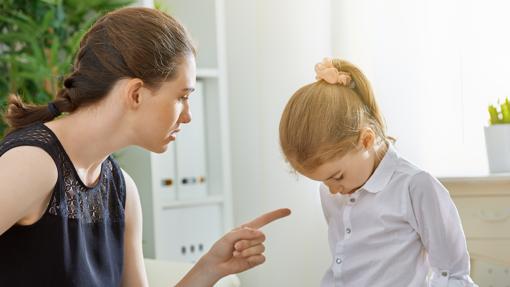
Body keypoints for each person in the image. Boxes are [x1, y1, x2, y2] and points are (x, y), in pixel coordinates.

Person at [0, 7, 290, 287]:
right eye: (181, 97)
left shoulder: (122, 190)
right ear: (136, 93)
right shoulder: (33, 164)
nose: (187, 116)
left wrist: (210, 267)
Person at [279, 58, 477, 286]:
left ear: (366, 140)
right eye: (323, 181)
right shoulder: (332, 192)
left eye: (336, 177)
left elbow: (451, 273)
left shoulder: (415, 187)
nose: (332, 190)